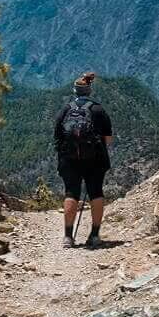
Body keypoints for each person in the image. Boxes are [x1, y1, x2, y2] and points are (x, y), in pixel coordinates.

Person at [53, 72, 114, 248]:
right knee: (96, 192)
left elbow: (57, 136)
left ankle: (68, 237)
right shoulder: (98, 109)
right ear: (89, 91)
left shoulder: (65, 109)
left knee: (71, 193)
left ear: (75, 91)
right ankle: (94, 235)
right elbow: (108, 139)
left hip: (69, 159)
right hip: (95, 159)